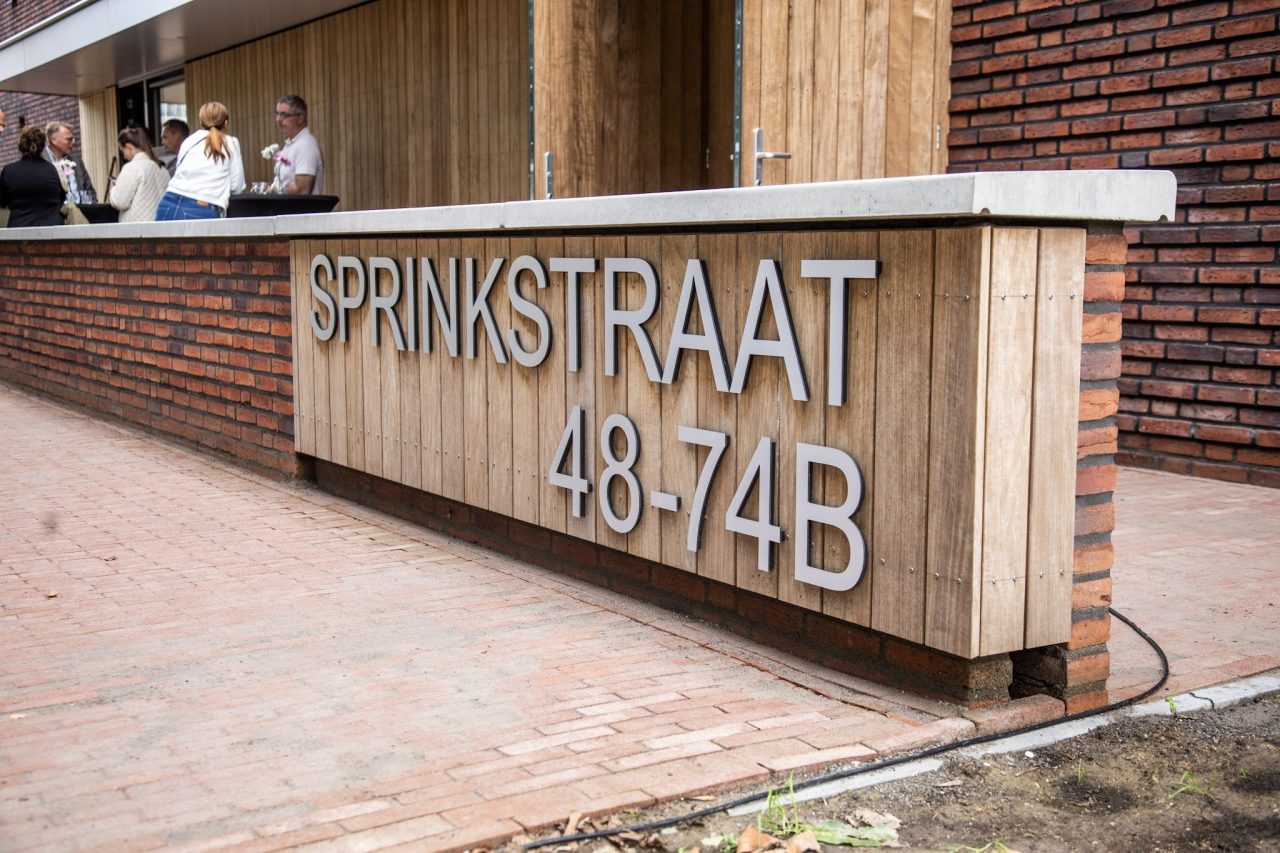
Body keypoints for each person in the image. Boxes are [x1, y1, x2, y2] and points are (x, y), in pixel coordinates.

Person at [155, 102, 245, 220]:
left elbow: (179, 170)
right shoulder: (230, 142)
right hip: (202, 205)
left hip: (168, 201)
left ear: (201, 122)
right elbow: (237, 187)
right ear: (226, 123)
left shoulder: (189, 141)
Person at [1, 125, 66, 227]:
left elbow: (3, 201)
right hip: (52, 229)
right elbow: (61, 198)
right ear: (42, 146)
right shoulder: (52, 170)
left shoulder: (9, 171)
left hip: (19, 229)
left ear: (20, 145)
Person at [107, 126, 170, 223]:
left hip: (137, 228)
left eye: (122, 151)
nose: (124, 156)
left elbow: (119, 201)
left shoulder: (131, 168)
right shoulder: (163, 170)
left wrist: (115, 188)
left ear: (129, 147)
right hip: (160, 226)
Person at [273, 95, 323, 194]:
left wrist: (273, 190)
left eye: (284, 115)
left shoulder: (306, 145)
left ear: (300, 118)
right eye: (277, 114)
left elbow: (302, 189)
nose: (278, 119)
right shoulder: (290, 144)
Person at [43, 121, 97, 204]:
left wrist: (91, 207)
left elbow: (90, 190)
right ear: (54, 140)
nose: (72, 142)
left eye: (73, 139)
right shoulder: (41, 161)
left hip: (81, 210)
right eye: (69, 139)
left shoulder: (76, 161)